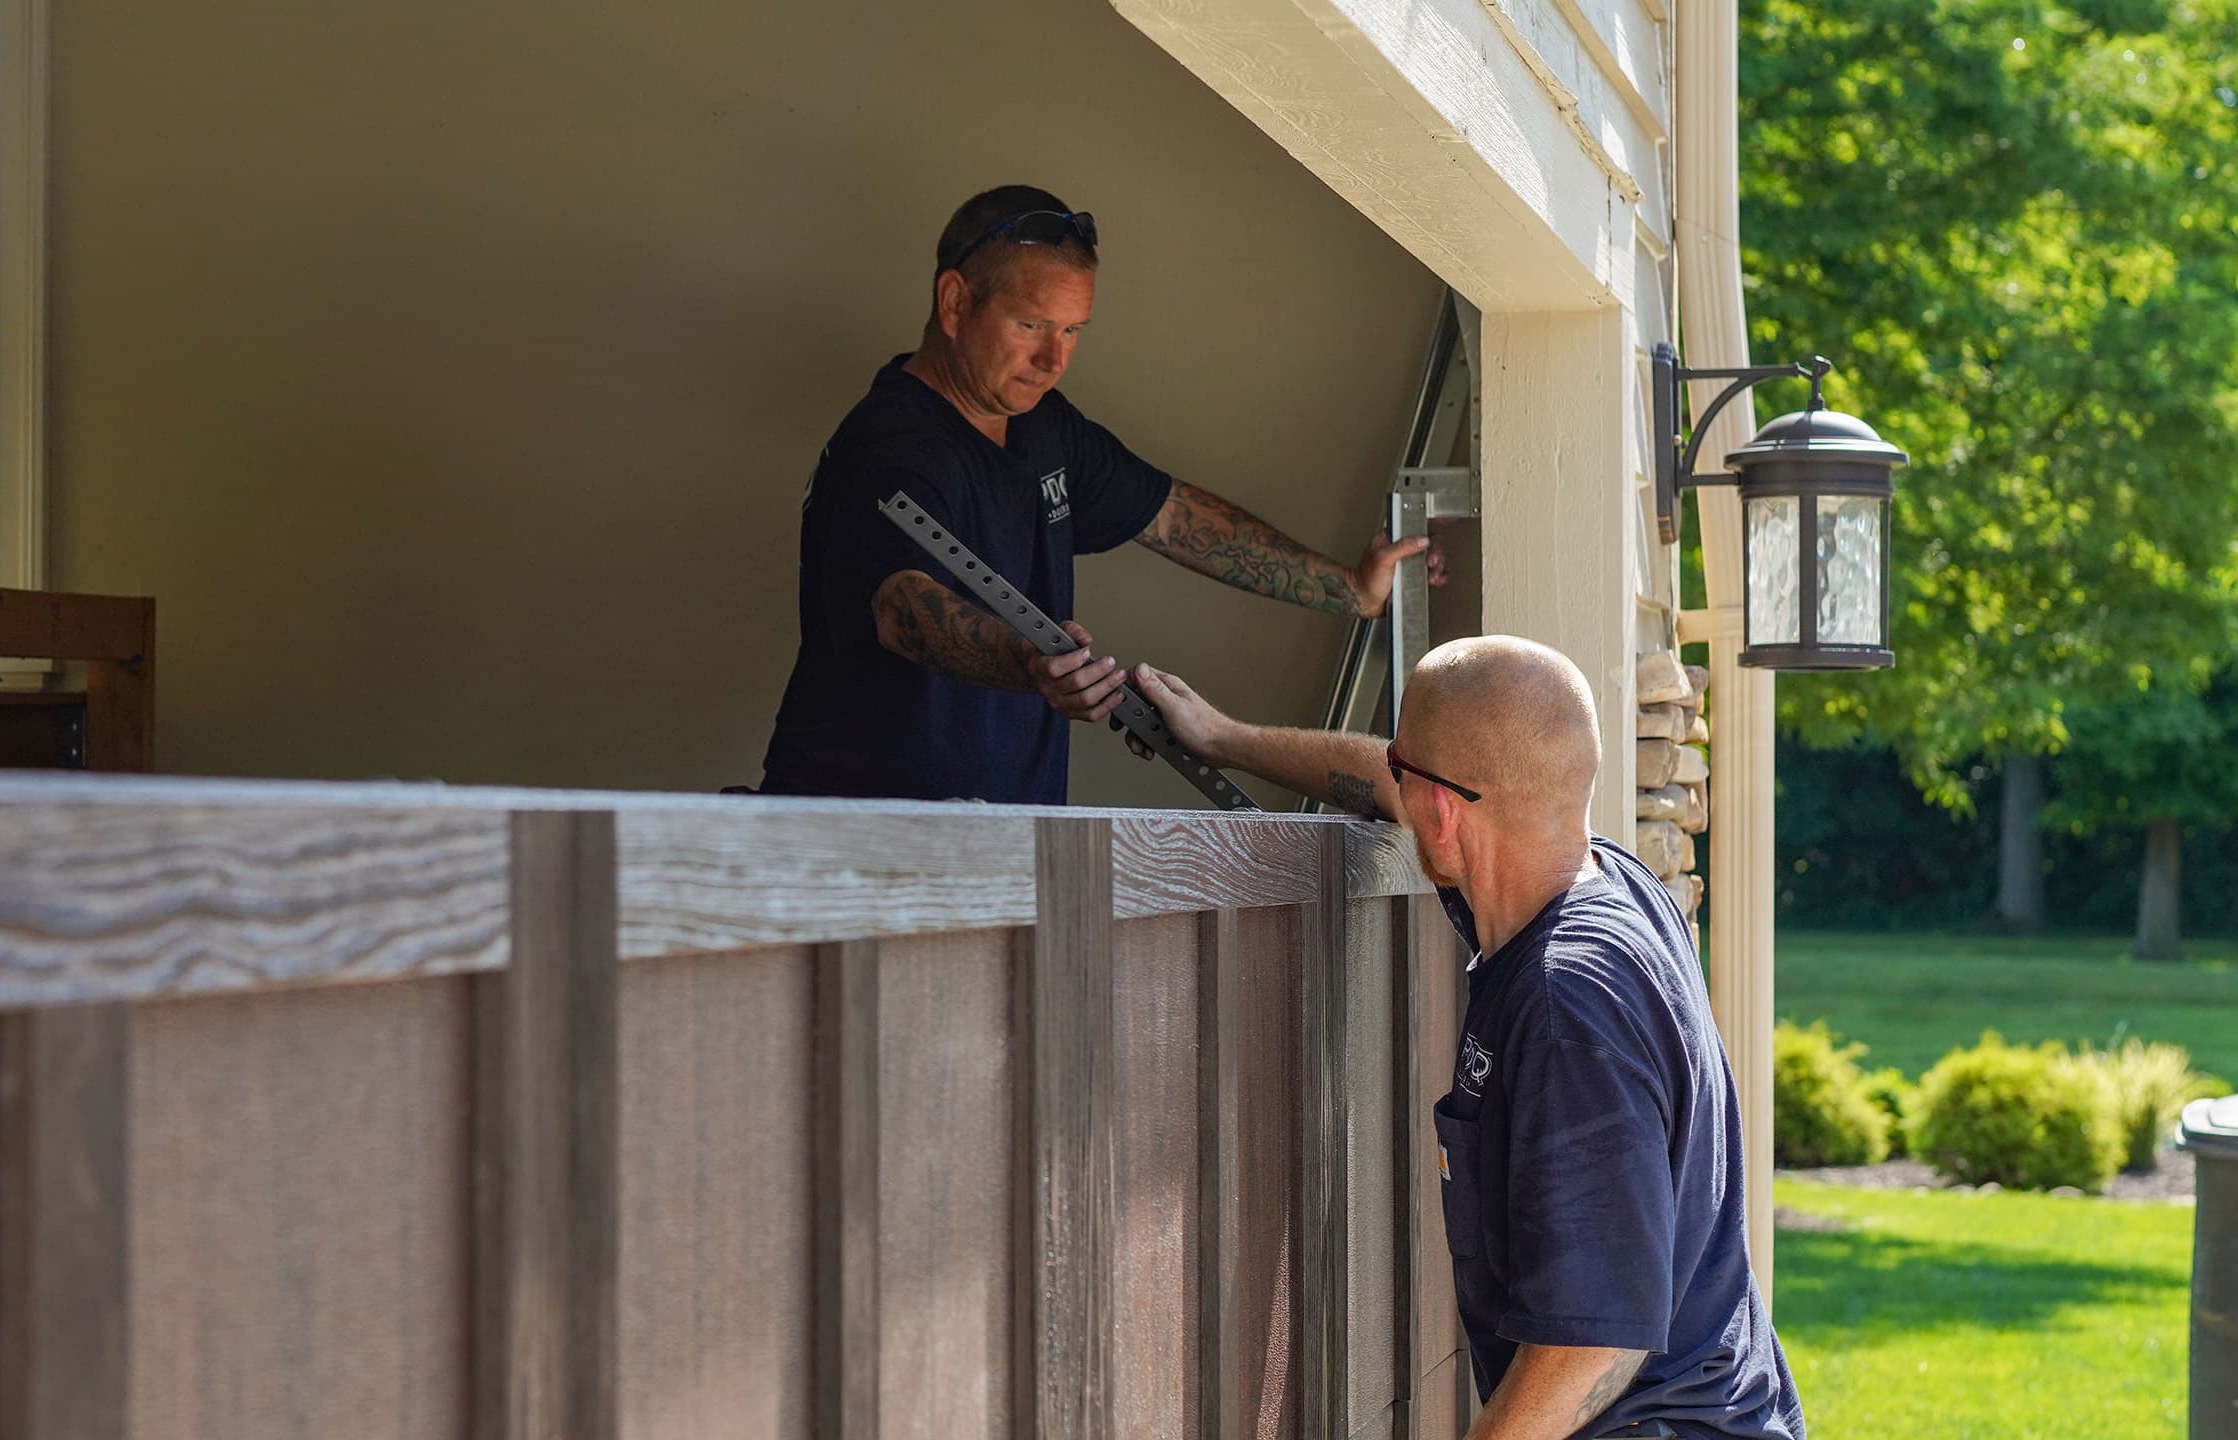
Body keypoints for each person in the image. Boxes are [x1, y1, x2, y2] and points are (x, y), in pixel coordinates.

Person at [1130, 638, 1803, 1440]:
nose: (1400, 795)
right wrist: (1222, 738)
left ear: (1443, 813)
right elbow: (1402, 779)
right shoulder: (1602, 882)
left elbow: (1595, 1343)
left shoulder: (1568, 1006)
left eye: (1410, 781)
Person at [758, 183, 1442, 804]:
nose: (1053, 360)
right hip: (862, 836)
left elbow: (1172, 518)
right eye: (1031, 326)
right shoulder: (892, 444)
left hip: (1005, 844)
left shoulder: (1044, 427)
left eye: (1072, 331)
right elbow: (904, 609)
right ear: (955, 302)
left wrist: (1351, 588)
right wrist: (1027, 658)